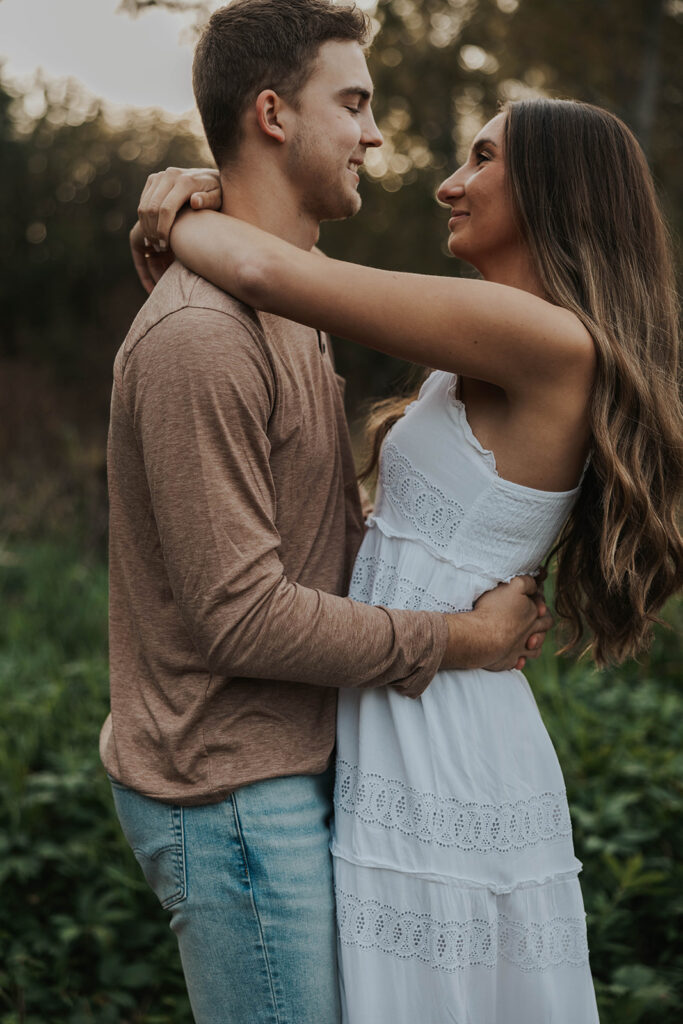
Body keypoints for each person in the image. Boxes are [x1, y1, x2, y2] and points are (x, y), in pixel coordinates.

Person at [136, 96, 683, 1022]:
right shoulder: (497, 336)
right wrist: (205, 203)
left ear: (554, 190)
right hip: (414, 701)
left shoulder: (543, 339)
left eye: (480, 160)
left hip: (441, 733)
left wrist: (179, 205)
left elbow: (267, 268)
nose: (448, 183)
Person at [103, 2, 553, 1023]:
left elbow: (313, 528)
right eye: (351, 103)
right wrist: (458, 639)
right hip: (230, 794)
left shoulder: (286, 317)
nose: (375, 133)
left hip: (291, 772)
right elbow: (242, 615)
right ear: (271, 114)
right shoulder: (201, 338)